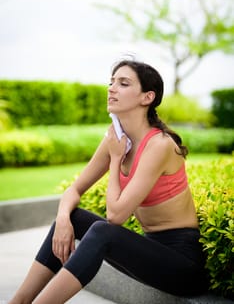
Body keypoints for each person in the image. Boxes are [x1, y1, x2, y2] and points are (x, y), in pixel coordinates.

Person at [9, 59, 208, 304]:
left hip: (183, 265)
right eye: (111, 82)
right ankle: (18, 302)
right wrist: (62, 220)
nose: (111, 88)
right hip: (151, 252)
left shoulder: (159, 145)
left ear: (147, 97)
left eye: (123, 83)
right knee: (73, 217)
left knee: (104, 231)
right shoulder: (116, 138)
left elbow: (115, 217)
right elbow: (75, 188)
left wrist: (115, 159)